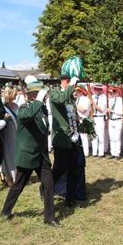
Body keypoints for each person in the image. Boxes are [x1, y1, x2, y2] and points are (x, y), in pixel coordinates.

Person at [1, 80, 58, 226]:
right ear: (33, 96)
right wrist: (38, 100)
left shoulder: (42, 109)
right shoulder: (24, 108)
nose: (45, 97)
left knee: (49, 184)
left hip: (41, 155)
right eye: (41, 94)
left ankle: (49, 217)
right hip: (27, 154)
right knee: (18, 185)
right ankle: (6, 211)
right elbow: (27, 116)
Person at [49, 74, 83, 207]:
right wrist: (70, 87)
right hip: (62, 137)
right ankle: (46, 189)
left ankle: (70, 197)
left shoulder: (70, 96)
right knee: (59, 168)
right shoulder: (55, 92)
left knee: (73, 168)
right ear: (66, 81)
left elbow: (72, 113)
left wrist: (78, 124)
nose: (74, 87)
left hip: (73, 137)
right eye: (72, 84)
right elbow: (60, 100)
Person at [0, 86, 18, 185]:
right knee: (8, 152)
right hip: (7, 131)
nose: (16, 94)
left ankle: (15, 174)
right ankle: (9, 175)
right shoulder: (3, 107)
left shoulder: (15, 105)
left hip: (15, 130)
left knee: (14, 151)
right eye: (14, 93)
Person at [107, 87, 123, 160]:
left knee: (117, 137)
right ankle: (112, 152)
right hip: (111, 120)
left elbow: (121, 112)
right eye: (113, 92)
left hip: (118, 119)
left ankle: (117, 153)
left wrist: (112, 110)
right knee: (111, 137)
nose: (114, 93)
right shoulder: (111, 100)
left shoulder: (121, 101)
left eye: (115, 92)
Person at [75, 86, 91, 157]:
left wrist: (74, 105)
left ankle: (86, 153)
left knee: (84, 137)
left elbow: (83, 110)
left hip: (83, 119)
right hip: (76, 119)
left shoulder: (86, 99)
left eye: (78, 91)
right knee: (76, 137)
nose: (77, 92)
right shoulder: (77, 99)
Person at [91, 83, 107, 157]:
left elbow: (101, 109)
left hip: (100, 117)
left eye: (99, 89)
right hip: (93, 117)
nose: (97, 91)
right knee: (94, 136)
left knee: (100, 136)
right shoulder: (92, 97)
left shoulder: (104, 98)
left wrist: (93, 104)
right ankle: (94, 152)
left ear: (101, 90)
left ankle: (101, 153)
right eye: (96, 89)